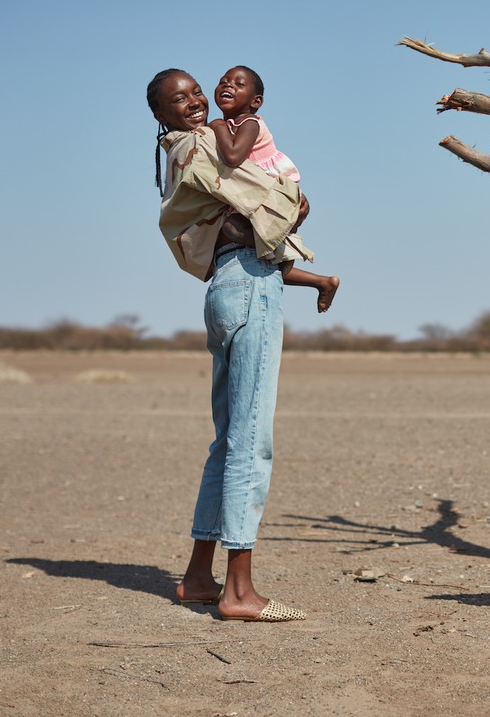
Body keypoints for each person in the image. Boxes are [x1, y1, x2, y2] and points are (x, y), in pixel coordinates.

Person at [147, 67, 305, 622]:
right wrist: (290, 207)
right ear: (161, 114)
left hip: (222, 288)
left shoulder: (179, 152)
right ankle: (239, 593)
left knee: (226, 441)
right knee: (249, 443)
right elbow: (251, 214)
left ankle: (197, 577)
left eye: (196, 93)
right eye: (179, 99)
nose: (193, 102)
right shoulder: (200, 144)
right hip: (246, 284)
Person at [209, 65, 339, 313]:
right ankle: (320, 279)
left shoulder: (249, 123)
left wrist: (217, 127)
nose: (228, 85)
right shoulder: (230, 124)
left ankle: (280, 249)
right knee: (267, 257)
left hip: (272, 192)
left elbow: (234, 156)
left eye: (238, 84)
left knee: (232, 229)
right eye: (223, 81)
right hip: (253, 194)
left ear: (256, 101)